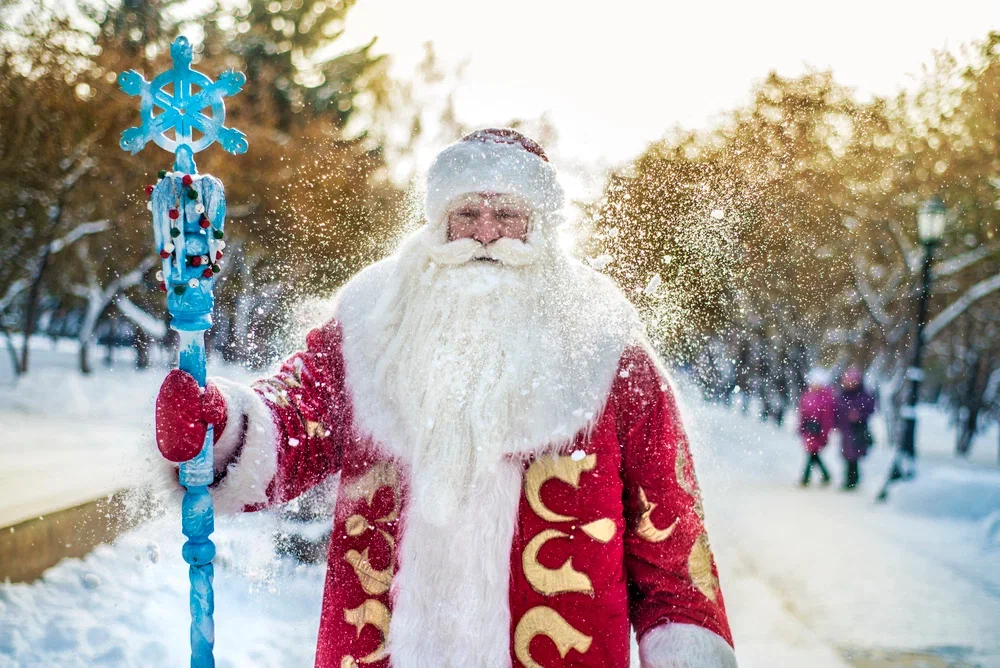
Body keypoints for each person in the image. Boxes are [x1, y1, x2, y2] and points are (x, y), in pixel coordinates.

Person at [153, 129, 736, 668]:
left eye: (507, 213)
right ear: (438, 221)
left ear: (541, 225)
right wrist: (223, 423)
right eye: (466, 213)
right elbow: (297, 411)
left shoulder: (604, 339)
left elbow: (671, 541)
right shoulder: (373, 316)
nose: (485, 232)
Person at [836, 366, 876, 490]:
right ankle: (851, 478)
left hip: (857, 429)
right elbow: (838, 410)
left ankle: (851, 479)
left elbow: (870, 408)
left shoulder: (863, 394)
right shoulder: (843, 395)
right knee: (847, 455)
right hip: (846, 429)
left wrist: (859, 415)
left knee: (853, 455)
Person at [797, 369, 836, 486]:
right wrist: (801, 426)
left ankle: (806, 477)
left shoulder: (826, 397)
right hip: (809, 429)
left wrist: (824, 431)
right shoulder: (807, 395)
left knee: (812, 453)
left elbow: (827, 417)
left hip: (818, 430)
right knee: (813, 454)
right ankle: (825, 475)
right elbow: (802, 412)